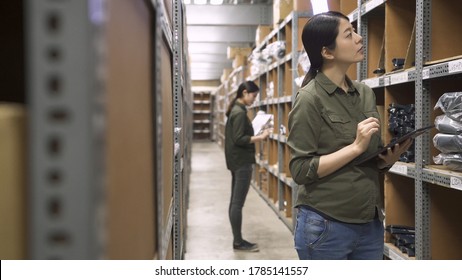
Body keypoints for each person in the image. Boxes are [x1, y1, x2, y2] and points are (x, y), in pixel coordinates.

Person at [287, 11, 413, 260]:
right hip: (326, 225)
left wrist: (384, 161)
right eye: (349, 34)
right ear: (327, 52)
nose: (359, 38)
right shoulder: (310, 99)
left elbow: (364, 159)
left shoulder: (364, 93)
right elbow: (300, 170)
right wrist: (355, 147)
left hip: (370, 223)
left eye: (355, 31)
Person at [224, 81, 270, 252]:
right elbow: (239, 139)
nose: (254, 99)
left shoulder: (237, 110)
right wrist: (261, 137)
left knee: (234, 201)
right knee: (237, 203)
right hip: (241, 161)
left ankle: (237, 239)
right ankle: (238, 241)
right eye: (253, 95)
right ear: (244, 93)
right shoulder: (239, 113)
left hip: (237, 160)